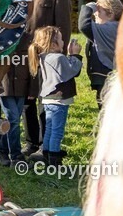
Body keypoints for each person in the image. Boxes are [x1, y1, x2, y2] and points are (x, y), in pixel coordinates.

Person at [0, 0, 72, 165]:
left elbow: (64, 27)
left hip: (44, 57)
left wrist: (62, 54)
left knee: (43, 100)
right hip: (16, 55)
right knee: (21, 101)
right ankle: (28, 143)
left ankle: (45, 144)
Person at [27, 26, 82, 166]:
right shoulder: (58, 58)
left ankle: (47, 152)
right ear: (52, 44)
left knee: (50, 129)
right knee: (57, 131)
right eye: (60, 39)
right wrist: (75, 55)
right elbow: (72, 71)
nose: (64, 41)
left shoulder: (44, 56)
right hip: (59, 101)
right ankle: (54, 159)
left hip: (47, 99)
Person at [78, 0, 123, 106]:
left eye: (99, 11)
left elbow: (84, 25)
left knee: (107, 111)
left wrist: (89, 7)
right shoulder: (118, 27)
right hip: (113, 76)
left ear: (111, 14)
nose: (95, 14)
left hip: (106, 77)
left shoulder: (109, 29)